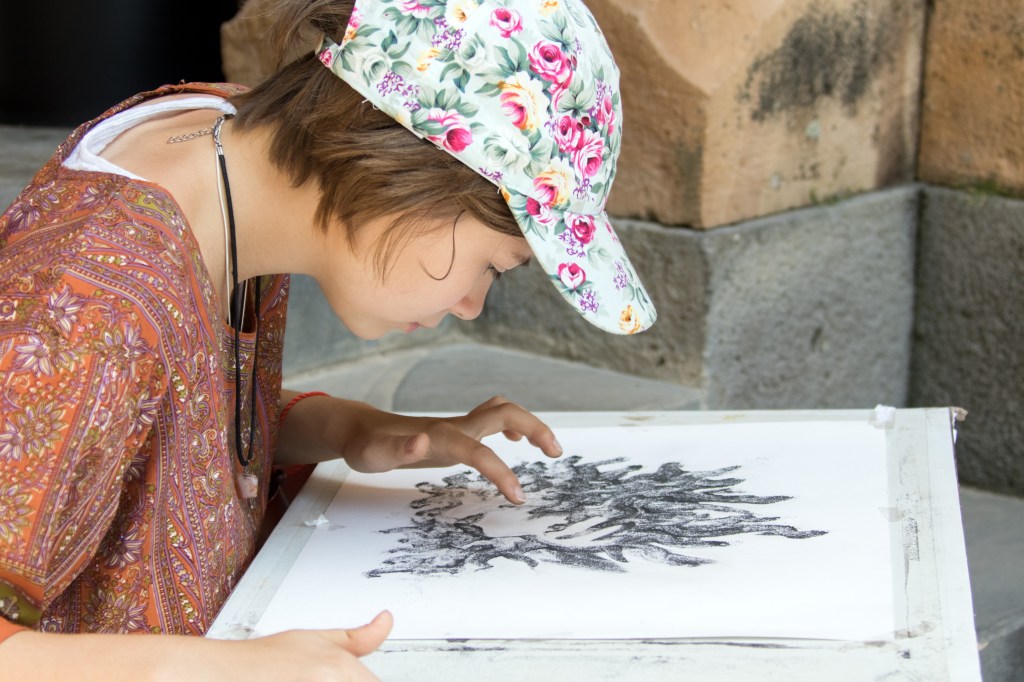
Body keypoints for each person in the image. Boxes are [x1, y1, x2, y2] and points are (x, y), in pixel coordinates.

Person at [0, 0, 655, 678]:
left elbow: (156, 418)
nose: (469, 305)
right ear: (410, 171)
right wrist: (225, 670)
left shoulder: (232, 148)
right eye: (490, 266)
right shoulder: (87, 306)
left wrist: (346, 429)